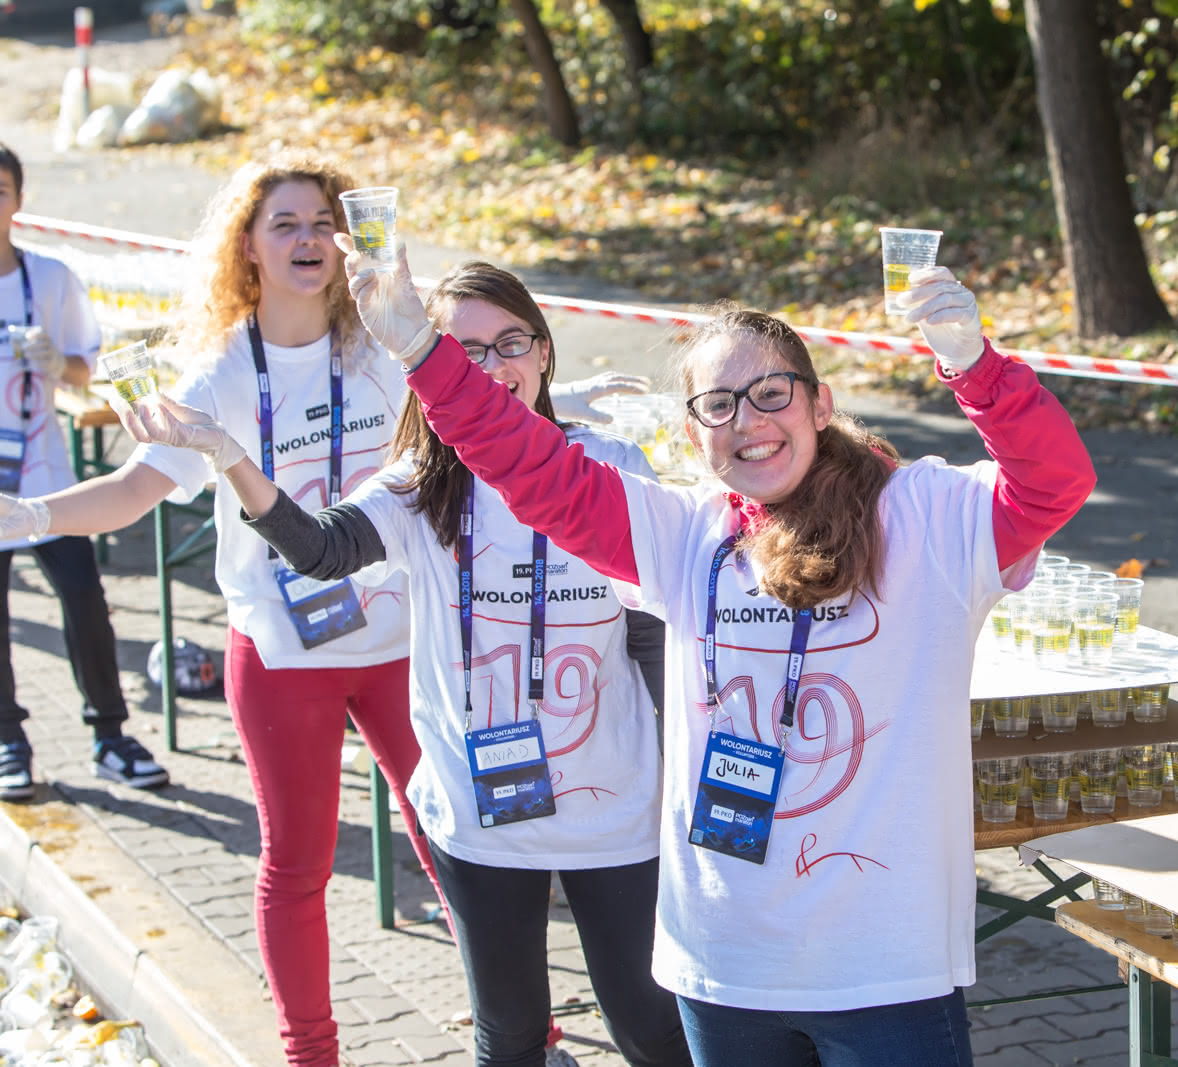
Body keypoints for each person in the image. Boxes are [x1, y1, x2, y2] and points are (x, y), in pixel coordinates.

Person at [337, 236, 1097, 1065]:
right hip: (722, 970)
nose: (750, 421)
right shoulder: (683, 534)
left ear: (821, 402)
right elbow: (532, 466)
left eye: (771, 392)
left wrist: (974, 363)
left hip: (882, 972)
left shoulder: (921, 518)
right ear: (693, 432)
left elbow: (1054, 481)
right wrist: (420, 349)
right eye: (718, 404)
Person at [0, 153, 639, 1066]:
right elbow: (135, 490)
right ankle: (311, 1054)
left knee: (450, 836)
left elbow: (464, 410)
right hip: (282, 650)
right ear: (247, 249)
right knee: (296, 864)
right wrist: (28, 515)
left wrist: (565, 400)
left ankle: (526, 1037)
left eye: (320, 224)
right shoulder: (221, 369)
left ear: (345, 243)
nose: (307, 240)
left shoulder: (376, 344)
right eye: (284, 224)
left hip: (396, 640)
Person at [118, 260, 693, 1067]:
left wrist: (684, 763)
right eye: (466, 351)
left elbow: (650, 634)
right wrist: (224, 451)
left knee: (653, 1030)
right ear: (433, 370)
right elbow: (318, 549)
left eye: (510, 343)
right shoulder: (422, 487)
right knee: (514, 1040)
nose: (492, 368)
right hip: (478, 810)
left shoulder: (614, 466)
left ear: (545, 351)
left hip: (616, 805)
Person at [0, 141, 168, 800]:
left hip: (44, 477)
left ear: (18, 200)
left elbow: (88, 368)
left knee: (85, 598)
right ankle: (9, 739)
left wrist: (54, 364)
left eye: (1, 191)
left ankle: (110, 734)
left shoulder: (49, 278)